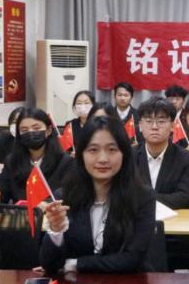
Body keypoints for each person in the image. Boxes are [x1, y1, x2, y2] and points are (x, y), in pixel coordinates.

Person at [39, 115, 156, 274]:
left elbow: (133, 258)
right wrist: (56, 231)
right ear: (81, 155)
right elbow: (50, 264)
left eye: (112, 150)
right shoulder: (64, 197)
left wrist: (76, 264)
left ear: (124, 154)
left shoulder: (142, 197)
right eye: (93, 150)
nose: (102, 159)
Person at [0, 108, 73, 204]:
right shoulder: (12, 162)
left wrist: (46, 205)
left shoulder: (65, 162)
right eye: (24, 130)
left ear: (48, 130)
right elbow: (2, 194)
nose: (30, 133)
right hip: (21, 212)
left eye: (36, 128)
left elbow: (67, 196)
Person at [133, 97, 189, 209]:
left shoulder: (187, 159)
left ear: (172, 126)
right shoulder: (129, 156)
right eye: (149, 121)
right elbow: (123, 193)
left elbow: (184, 197)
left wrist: (144, 199)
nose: (154, 127)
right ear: (140, 126)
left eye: (161, 121)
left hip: (173, 217)